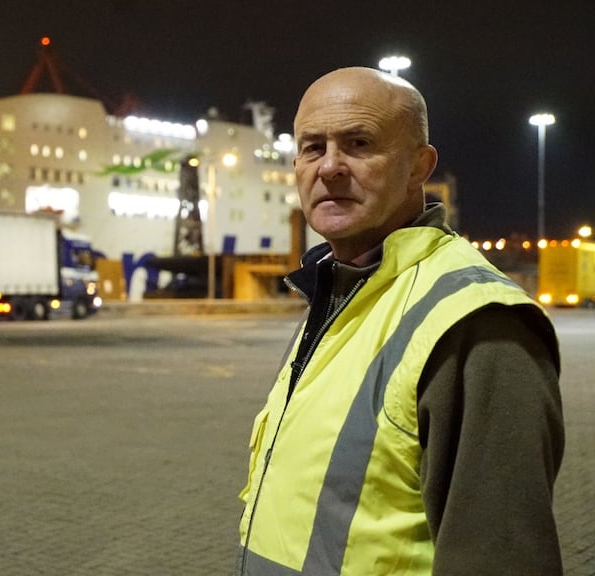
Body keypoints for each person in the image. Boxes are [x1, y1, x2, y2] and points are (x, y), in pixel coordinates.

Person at [236, 67, 564, 575]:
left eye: (359, 143)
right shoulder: (339, 291)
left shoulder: (476, 325)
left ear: (418, 166)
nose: (330, 168)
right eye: (312, 147)